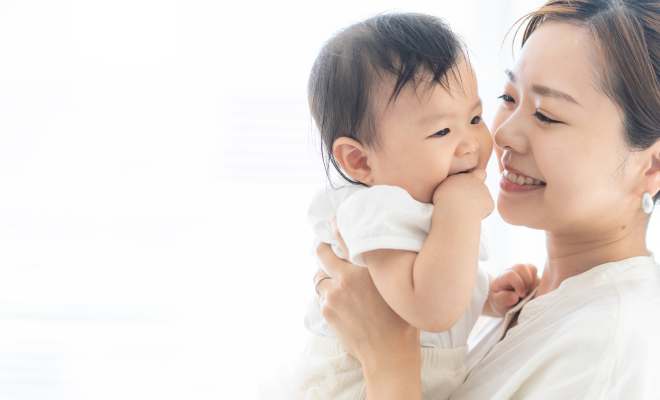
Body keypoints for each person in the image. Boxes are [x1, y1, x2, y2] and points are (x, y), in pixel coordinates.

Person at [315, 0, 660, 399]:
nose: (501, 135)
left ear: (651, 167)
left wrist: (387, 357)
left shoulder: (606, 346)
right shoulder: (528, 298)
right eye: (508, 98)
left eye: (546, 115)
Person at [292, 13, 538, 400]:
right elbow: (430, 307)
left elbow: (429, 284)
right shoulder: (375, 208)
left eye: (475, 118)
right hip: (353, 386)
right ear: (359, 161)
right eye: (441, 130)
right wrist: (459, 208)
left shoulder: (425, 204)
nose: (470, 144)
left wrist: (487, 297)